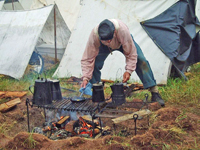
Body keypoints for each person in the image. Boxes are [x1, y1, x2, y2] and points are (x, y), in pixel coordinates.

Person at [80, 19, 165, 107]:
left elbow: (131, 53)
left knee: (140, 59)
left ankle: (155, 92)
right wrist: (86, 77)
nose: (108, 42)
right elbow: (88, 58)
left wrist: (128, 71)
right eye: (105, 40)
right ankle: (98, 97)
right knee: (93, 63)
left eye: (109, 40)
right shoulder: (94, 35)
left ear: (114, 32)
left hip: (122, 42)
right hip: (103, 47)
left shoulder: (122, 30)